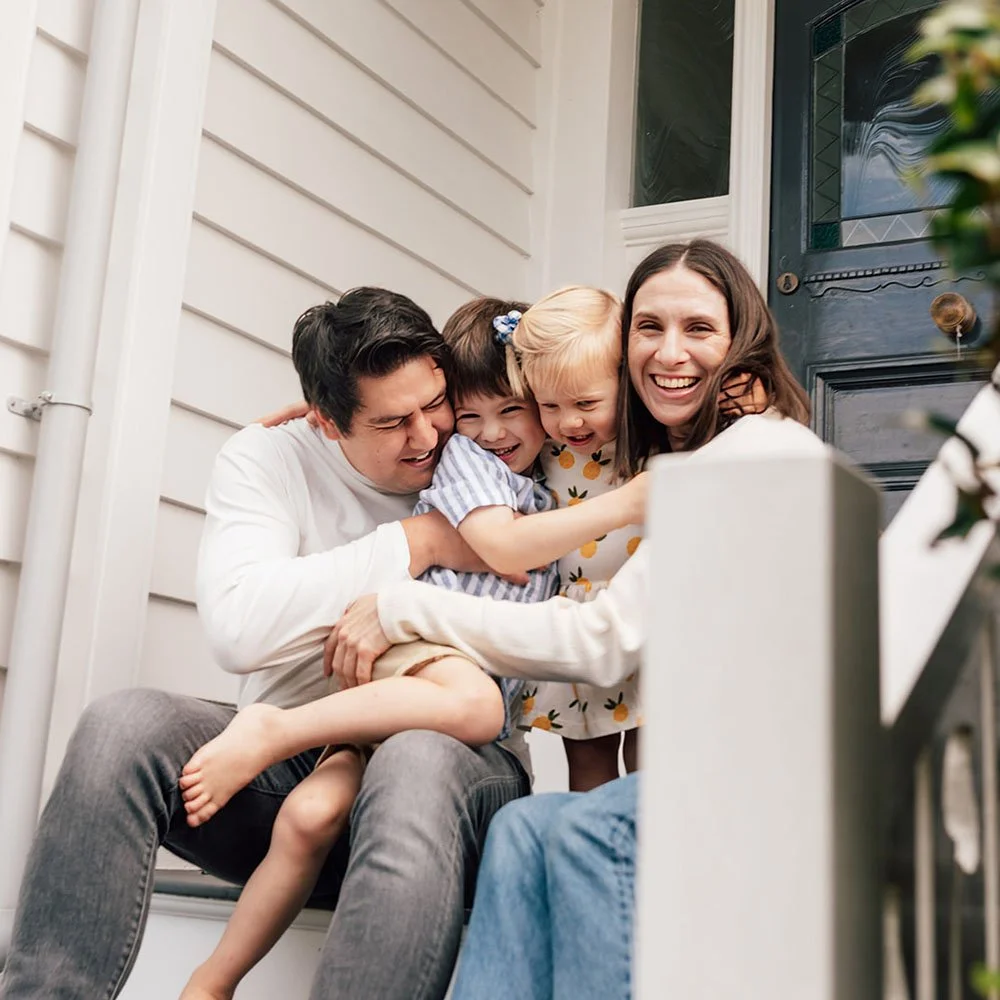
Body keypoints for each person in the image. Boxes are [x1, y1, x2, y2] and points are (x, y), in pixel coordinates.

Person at [0, 287, 534, 1000]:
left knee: (411, 761)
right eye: (392, 422)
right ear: (326, 422)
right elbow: (239, 626)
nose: (429, 436)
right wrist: (416, 542)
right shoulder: (268, 459)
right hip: (290, 782)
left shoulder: (492, 448)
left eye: (434, 403)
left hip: (456, 774)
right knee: (119, 725)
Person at [326, 240, 817, 1000]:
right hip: (696, 760)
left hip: (746, 775)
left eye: (698, 329)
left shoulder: (747, 449)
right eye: (649, 328)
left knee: (581, 832)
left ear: (740, 339)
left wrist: (404, 605)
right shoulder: (663, 450)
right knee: (524, 832)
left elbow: (601, 638)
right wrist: (321, 419)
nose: (669, 352)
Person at [177, 297, 646, 1000]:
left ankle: (210, 982)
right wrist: (635, 500)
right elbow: (507, 549)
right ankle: (277, 728)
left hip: (401, 695)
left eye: (515, 412)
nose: (485, 432)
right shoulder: (469, 464)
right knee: (477, 707)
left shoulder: (542, 453)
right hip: (426, 652)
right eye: (472, 415)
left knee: (312, 815)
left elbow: (574, 358)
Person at [503, 286, 643, 791]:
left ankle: (654, 864)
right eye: (550, 406)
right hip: (576, 625)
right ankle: (593, 860)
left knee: (653, 758)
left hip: (643, 616)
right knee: (587, 761)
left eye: (586, 403)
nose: (570, 421)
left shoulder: (645, 439)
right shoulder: (541, 448)